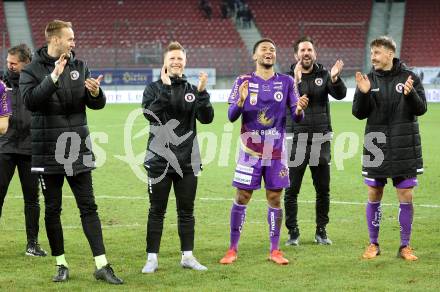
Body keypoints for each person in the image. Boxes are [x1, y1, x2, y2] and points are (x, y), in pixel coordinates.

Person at [19, 20, 123, 284]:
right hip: (47, 150)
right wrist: (53, 77)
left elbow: (93, 104)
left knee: (88, 206)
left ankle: (102, 265)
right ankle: (61, 264)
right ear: (55, 40)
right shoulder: (31, 70)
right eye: (70, 38)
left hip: (78, 147)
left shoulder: (80, 66)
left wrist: (97, 94)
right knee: (53, 209)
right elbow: (31, 102)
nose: (74, 42)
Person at [219, 39, 308, 265]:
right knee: (242, 196)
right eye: (264, 49)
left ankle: (275, 250)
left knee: (275, 198)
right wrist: (239, 101)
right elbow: (230, 116)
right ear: (254, 56)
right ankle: (232, 249)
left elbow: (298, 116)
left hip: (276, 151)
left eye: (273, 50)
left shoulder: (287, 82)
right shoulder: (243, 80)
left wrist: (298, 110)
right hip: (250, 150)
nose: (269, 52)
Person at [141, 41, 214, 273]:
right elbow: (151, 115)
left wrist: (202, 93)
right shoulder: (153, 88)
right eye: (172, 58)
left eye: (179, 58)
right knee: (156, 211)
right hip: (159, 161)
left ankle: (188, 257)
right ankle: (152, 258)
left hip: (188, 161)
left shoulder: (192, 89)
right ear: (165, 61)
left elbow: (207, 118)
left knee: (186, 211)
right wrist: (164, 88)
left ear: (185, 62)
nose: (176, 62)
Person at [352, 36, 427, 261]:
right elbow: (358, 113)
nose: (372, 57)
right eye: (371, 53)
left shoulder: (409, 77)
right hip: (376, 146)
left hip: (404, 145)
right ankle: (373, 243)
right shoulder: (368, 79)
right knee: (374, 192)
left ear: (389, 54)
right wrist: (364, 93)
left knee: (405, 195)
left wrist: (410, 94)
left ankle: (405, 246)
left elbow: (421, 108)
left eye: (376, 53)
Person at [284, 36, 346, 246]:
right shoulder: (286, 77)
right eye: (302, 50)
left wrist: (335, 79)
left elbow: (340, 94)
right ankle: (293, 232)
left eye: (309, 50)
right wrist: (295, 81)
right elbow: (284, 101)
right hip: (295, 140)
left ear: (315, 53)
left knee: (322, 189)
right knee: (291, 190)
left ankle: (321, 230)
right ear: (296, 55)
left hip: (320, 139)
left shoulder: (324, 74)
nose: (306, 53)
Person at [0, 44, 48, 257]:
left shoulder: (38, 83)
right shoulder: (1, 83)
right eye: (7, 62)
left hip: (31, 148)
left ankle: (32, 244)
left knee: (32, 198)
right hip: (5, 147)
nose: (9, 67)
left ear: (26, 63)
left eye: (14, 63)